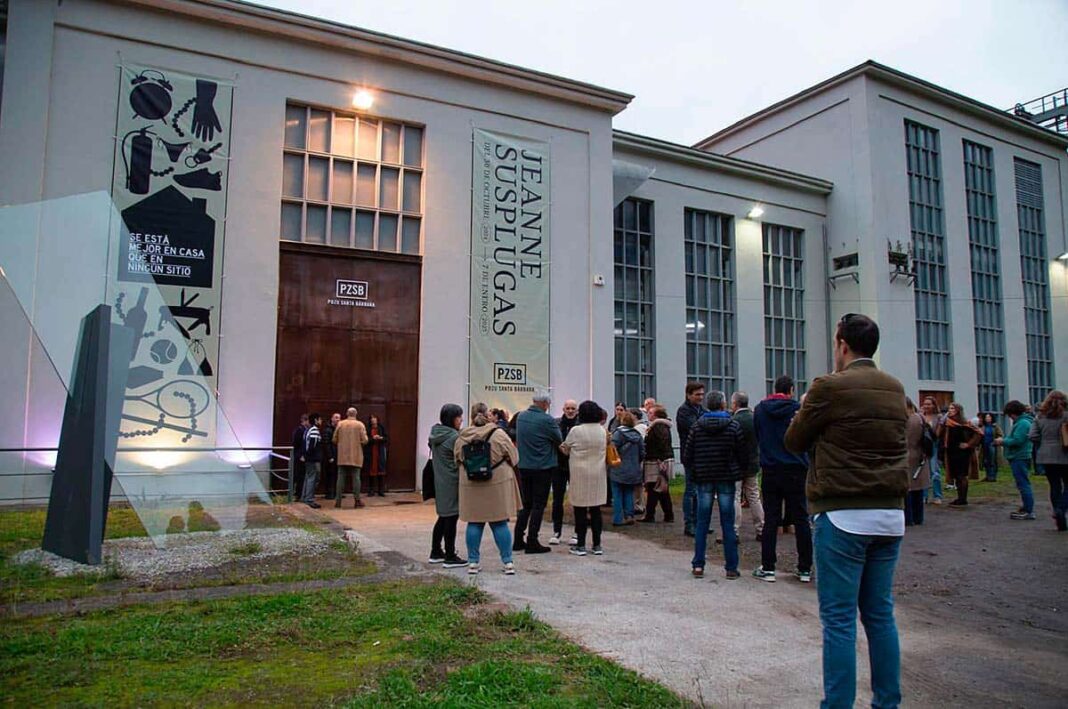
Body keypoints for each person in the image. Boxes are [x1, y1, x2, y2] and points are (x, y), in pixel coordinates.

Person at [784, 313, 907, 709]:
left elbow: (795, 440)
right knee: (879, 615)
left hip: (843, 513)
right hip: (889, 513)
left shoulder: (828, 386)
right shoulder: (894, 387)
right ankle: (887, 702)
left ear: (841, 345)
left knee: (838, 620)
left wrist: (806, 412)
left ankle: (837, 704)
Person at [752, 376, 812, 583]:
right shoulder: (798, 409)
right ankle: (805, 568)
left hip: (771, 468)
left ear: (774, 388)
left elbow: (758, 435)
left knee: (772, 518)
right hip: (796, 467)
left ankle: (768, 567)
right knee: (801, 518)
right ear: (791, 390)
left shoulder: (760, 409)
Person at [681, 390, 746, 579]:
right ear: (723, 405)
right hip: (726, 476)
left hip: (704, 477)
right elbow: (742, 453)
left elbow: (687, 455)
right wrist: (738, 471)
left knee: (702, 522)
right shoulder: (733, 426)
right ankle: (731, 567)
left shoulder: (696, 427)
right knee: (727, 522)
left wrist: (694, 472)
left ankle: (698, 564)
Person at [455, 407, 522, 574]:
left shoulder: (462, 437)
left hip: (471, 486)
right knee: (499, 522)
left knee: (474, 522)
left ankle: (473, 563)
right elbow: (515, 458)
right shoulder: (499, 435)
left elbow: (456, 459)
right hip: (496, 485)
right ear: (488, 417)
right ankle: (507, 563)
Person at [514, 390, 563, 553]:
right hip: (542, 467)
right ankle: (532, 540)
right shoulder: (547, 420)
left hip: (524, 466)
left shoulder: (521, 417)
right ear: (544, 404)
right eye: (548, 404)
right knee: (538, 505)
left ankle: (517, 539)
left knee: (526, 504)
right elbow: (559, 439)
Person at [560, 400, 610, 554]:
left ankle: (580, 544)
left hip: (580, 474)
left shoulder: (576, 430)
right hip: (598, 474)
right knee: (596, 510)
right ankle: (597, 545)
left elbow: (565, 448)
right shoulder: (603, 431)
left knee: (580, 511)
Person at [428, 404, 467, 567]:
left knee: (443, 517)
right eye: (459, 417)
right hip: (452, 481)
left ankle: (436, 551)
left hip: (440, 480)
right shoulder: (454, 437)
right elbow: (463, 457)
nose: (461, 420)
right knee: (451, 517)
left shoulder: (436, 433)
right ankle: (450, 555)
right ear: (453, 419)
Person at [1028, 391, 1068, 531]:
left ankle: (1057, 510)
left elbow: (1032, 435)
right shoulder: (1066, 416)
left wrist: (1044, 443)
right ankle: (1061, 508)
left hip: (1046, 455)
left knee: (1054, 485)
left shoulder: (1040, 417)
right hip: (1065, 454)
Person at [731, 391, 765, 542]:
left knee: (735, 497)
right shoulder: (755, 418)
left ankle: (734, 530)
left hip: (736, 464)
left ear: (735, 404)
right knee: (754, 496)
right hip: (753, 463)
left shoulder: (733, 421)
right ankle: (761, 529)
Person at [676, 382, 707, 537]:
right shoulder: (684, 411)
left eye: (702, 394)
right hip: (691, 455)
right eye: (697, 394)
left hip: (702, 455)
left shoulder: (701, 410)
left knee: (701, 491)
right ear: (689, 395)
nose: (701, 397)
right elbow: (696, 428)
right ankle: (689, 523)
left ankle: (700, 522)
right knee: (691, 491)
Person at [998, 400, 1035, 521]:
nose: (1010, 417)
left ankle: (1029, 510)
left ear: (1014, 412)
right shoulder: (1022, 422)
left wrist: (1002, 441)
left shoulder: (1023, 423)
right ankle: (1026, 508)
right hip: (1019, 456)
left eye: (1010, 414)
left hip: (1019, 456)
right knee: (1022, 483)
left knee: (1023, 484)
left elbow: (1017, 440)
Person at [550, 399, 580, 545]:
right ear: (563, 409)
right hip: (558, 466)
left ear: (577, 410)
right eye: (567, 408)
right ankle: (557, 531)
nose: (570, 411)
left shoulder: (580, 426)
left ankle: (577, 532)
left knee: (577, 500)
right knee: (557, 500)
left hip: (575, 467)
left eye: (572, 408)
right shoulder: (556, 423)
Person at [941, 403, 981, 507]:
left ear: (958, 410)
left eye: (953, 408)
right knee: (955, 476)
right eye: (949, 408)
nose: (950, 410)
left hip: (962, 453)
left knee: (961, 475)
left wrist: (969, 444)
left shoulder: (965, 423)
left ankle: (963, 499)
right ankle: (959, 497)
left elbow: (979, 433)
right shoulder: (946, 422)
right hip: (951, 451)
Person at [609, 411, 645, 525]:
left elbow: (612, 450)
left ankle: (618, 519)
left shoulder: (617, 434)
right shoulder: (638, 435)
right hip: (633, 469)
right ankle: (629, 515)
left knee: (617, 494)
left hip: (618, 468)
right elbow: (642, 453)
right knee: (629, 493)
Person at [641, 406, 675, 523]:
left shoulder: (658, 426)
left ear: (656, 415)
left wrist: (661, 459)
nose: (648, 415)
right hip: (659, 459)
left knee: (654, 488)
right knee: (660, 489)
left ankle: (651, 514)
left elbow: (662, 442)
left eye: (650, 413)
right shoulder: (661, 426)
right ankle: (667, 514)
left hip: (657, 461)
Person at [333, 407, 369, 509]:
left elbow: (334, 439)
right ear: (356, 414)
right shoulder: (360, 425)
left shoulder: (340, 424)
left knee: (340, 477)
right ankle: (357, 501)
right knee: (356, 478)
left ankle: (338, 501)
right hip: (356, 455)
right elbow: (365, 440)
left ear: (347, 414)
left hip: (342, 455)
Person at [904, 398, 931, 526]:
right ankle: (918, 517)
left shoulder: (906, 420)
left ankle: (908, 518)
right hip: (920, 454)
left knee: (907, 488)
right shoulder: (921, 418)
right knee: (917, 488)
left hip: (907, 454)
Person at [921, 397, 944, 505]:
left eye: (929, 404)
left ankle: (937, 495)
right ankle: (924, 496)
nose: (926, 406)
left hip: (933, 444)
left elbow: (938, 434)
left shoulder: (938, 417)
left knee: (935, 472)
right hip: (922, 445)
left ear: (934, 405)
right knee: (923, 471)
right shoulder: (920, 416)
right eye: (925, 404)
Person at [301, 413, 323, 508]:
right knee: (312, 478)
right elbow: (312, 445)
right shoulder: (314, 430)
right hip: (313, 459)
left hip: (308, 458)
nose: (321, 421)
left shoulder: (307, 430)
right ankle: (309, 499)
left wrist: (305, 455)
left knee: (308, 477)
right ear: (316, 420)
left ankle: (304, 497)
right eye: (319, 419)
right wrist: (308, 455)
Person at [364, 414, 389, 497]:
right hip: (371, 451)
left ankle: (381, 490)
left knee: (381, 470)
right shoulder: (367, 429)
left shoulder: (381, 428)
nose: (373, 420)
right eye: (372, 419)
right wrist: (373, 439)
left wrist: (381, 438)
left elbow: (386, 438)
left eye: (375, 419)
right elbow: (365, 440)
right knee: (371, 470)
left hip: (380, 451)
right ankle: (371, 490)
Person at [290, 413, 309, 500]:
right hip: (299, 456)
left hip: (302, 456)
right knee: (298, 475)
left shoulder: (305, 430)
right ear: (305, 421)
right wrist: (300, 455)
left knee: (301, 476)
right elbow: (296, 444)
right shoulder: (299, 430)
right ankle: (296, 494)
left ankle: (300, 494)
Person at [980, 413, 1003, 482]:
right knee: (986, 461)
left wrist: (996, 441)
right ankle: (988, 475)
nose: (987, 418)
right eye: (986, 417)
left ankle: (993, 476)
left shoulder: (995, 426)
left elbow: (1000, 435)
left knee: (992, 461)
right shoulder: (983, 427)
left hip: (992, 445)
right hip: (984, 445)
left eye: (989, 417)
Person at [322, 412, 340, 499]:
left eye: (339, 418)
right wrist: (330, 456)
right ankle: (329, 493)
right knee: (330, 475)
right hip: (331, 457)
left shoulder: (338, 429)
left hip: (337, 456)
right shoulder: (328, 430)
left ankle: (336, 492)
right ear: (332, 419)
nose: (338, 420)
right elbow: (326, 444)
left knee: (336, 475)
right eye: (336, 418)